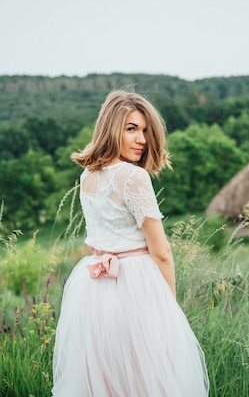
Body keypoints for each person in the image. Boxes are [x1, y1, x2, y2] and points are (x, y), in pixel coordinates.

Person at [52, 90, 209, 396]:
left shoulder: (87, 175)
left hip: (94, 291)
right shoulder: (134, 177)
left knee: (106, 376)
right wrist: (169, 310)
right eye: (131, 129)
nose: (142, 140)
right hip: (135, 284)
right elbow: (161, 252)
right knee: (148, 377)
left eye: (146, 131)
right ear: (112, 129)